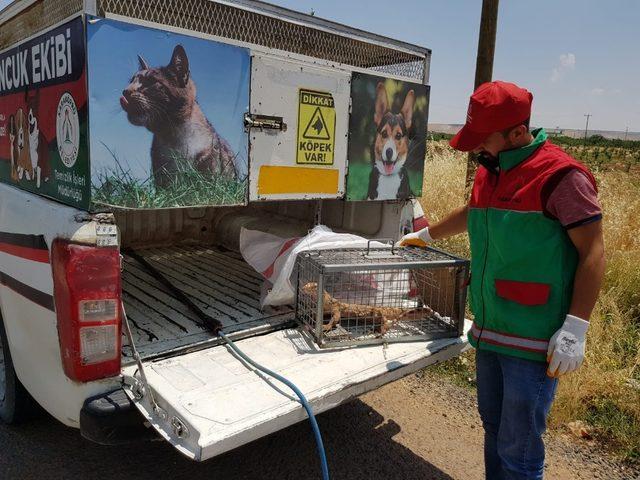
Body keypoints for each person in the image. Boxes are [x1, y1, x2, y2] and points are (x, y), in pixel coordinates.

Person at [401, 81, 605, 480]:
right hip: (491, 330)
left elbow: (593, 252)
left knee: (520, 448)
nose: (478, 148)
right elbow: (473, 212)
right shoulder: (492, 170)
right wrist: (426, 236)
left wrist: (575, 328)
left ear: (516, 133)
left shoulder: (561, 177)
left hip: (533, 340)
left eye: (484, 139)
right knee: (494, 430)